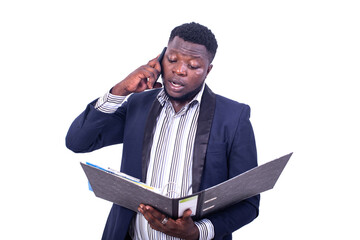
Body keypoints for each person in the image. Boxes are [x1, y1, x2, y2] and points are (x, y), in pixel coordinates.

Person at [66, 22, 260, 240]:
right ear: (160, 58)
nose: (179, 70)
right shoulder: (138, 105)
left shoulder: (233, 118)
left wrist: (198, 231)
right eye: (172, 60)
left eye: (194, 65)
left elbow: (248, 203)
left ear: (208, 70)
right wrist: (120, 90)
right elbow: (78, 141)